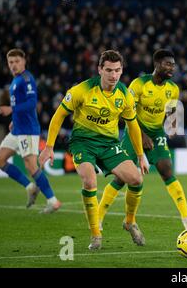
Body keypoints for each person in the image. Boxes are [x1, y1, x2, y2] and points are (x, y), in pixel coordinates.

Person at [39, 50, 149, 250]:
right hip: (83, 142)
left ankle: (129, 221)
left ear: (122, 70)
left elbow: (132, 126)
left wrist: (141, 156)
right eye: (108, 70)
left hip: (109, 144)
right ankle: (96, 235)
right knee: (90, 181)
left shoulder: (124, 94)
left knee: (136, 179)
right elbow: (58, 115)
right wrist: (49, 146)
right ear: (100, 70)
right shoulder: (82, 90)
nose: (113, 75)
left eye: (117, 70)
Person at [98, 49, 187, 230]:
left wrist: (173, 123)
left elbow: (172, 109)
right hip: (134, 131)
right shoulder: (139, 84)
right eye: (168, 64)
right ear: (157, 65)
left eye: (173, 65)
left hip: (157, 133)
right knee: (121, 178)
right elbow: (127, 114)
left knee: (166, 170)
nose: (172, 68)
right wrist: (141, 135)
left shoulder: (173, 89)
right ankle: (99, 217)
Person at [0, 49, 61, 213]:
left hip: (28, 131)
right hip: (17, 129)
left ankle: (53, 201)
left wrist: (12, 109)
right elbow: (22, 105)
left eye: (17, 61)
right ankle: (30, 187)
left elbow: (32, 104)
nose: (14, 65)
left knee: (31, 166)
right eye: (11, 62)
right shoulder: (16, 80)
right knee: (0, 161)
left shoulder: (26, 79)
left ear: (24, 61)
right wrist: (14, 119)